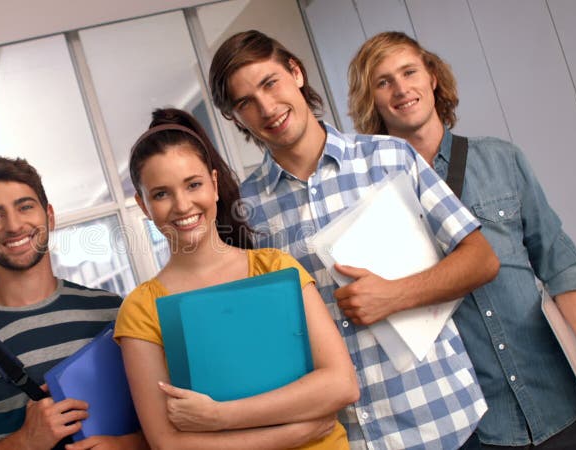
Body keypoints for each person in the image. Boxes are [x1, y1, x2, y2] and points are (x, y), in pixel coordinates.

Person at [209, 30, 501, 449]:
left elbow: (481, 260)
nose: (267, 108)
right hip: (343, 437)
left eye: (270, 83)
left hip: (441, 422)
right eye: (245, 103)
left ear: (296, 72)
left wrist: (395, 295)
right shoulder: (245, 212)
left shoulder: (390, 158)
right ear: (235, 118)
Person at [347, 31, 576, 448]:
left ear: (432, 77)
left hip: (559, 398)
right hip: (473, 424)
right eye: (383, 82)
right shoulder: (374, 198)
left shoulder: (501, 158)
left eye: (409, 72)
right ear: (372, 100)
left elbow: (561, 267)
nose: (401, 89)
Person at [114, 107, 359, 450]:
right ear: (143, 206)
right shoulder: (141, 309)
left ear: (214, 185)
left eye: (193, 184)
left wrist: (219, 416)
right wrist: (292, 432)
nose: (182, 205)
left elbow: (341, 385)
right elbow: (169, 444)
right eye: (161, 194)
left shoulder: (276, 268)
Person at [0, 157, 146, 450]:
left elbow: (165, 423)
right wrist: (24, 441)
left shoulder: (115, 311)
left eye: (25, 207)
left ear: (49, 216)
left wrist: (128, 445)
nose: (14, 225)